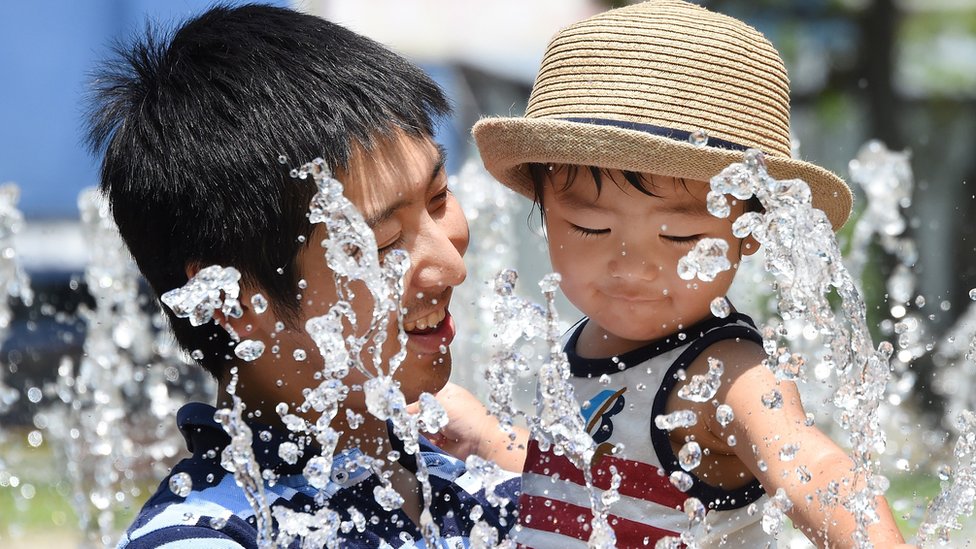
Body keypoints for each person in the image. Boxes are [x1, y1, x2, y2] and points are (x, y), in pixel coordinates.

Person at [470, 1, 912, 547]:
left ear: (751, 230)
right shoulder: (575, 345)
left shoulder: (723, 373)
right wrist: (484, 436)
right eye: (589, 226)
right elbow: (580, 474)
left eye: (680, 237)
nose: (631, 265)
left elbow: (814, 468)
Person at [86, 4, 517, 547]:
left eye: (438, 198)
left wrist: (503, 450)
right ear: (233, 299)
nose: (451, 265)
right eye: (381, 243)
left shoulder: (465, 471)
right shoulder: (215, 535)